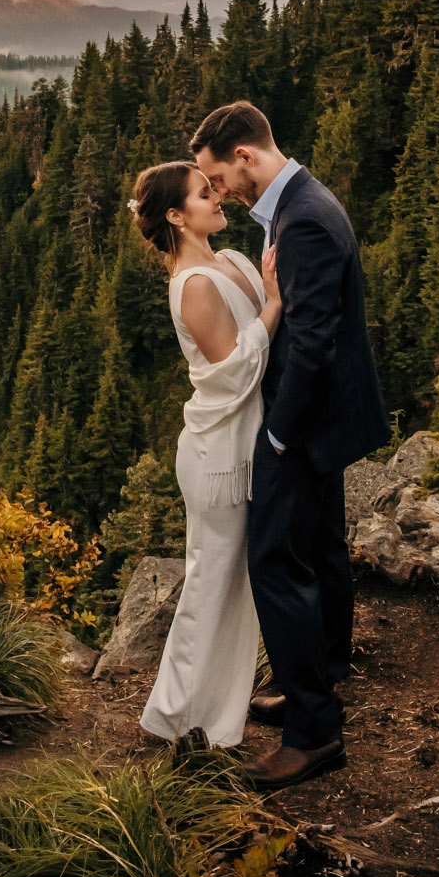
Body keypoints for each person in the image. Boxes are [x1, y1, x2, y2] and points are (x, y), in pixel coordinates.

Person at [191, 100, 388, 790]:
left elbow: (309, 341)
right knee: (321, 546)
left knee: (276, 560)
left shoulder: (300, 217)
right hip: (327, 417)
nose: (217, 191)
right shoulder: (302, 199)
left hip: (302, 423)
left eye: (217, 177)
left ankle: (314, 730)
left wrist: (276, 432)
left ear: (244, 155)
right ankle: (323, 673)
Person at [127, 159, 282, 749]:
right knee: (211, 582)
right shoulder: (192, 287)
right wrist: (270, 307)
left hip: (244, 444)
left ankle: (213, 719)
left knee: (235, 584)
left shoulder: (234, 262)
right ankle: (172, 719)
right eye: (203, 193)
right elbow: (233, 373)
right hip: (219, 455)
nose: (218, 196)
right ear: (176, 215)